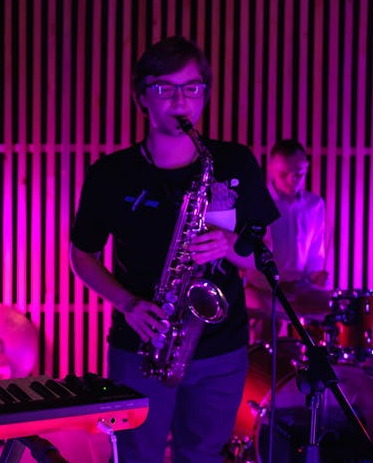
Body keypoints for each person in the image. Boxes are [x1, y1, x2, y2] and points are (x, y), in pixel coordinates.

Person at [69, 36, 279, 462]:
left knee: (202, 455)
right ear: (141, 97)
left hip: (221, 348)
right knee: (137, 456)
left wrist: (229, 244)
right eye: (164, 88)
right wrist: (127, 303)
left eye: (192, 88)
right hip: (142, 344)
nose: (180, 100)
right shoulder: (111, 174)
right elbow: (82, 255)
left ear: (205, 94)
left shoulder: (233, 163)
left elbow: (263, 254)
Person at [244, 139, 330, 341]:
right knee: (265, 336)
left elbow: (316, 250)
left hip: (300, 284)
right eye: (284, 174)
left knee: (332, 310)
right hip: (263, 287)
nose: (293, 179)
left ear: (307, 168)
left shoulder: (314, 204)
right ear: (272, 170)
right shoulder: (258, 201)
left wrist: (316, 274)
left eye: (299, 172)